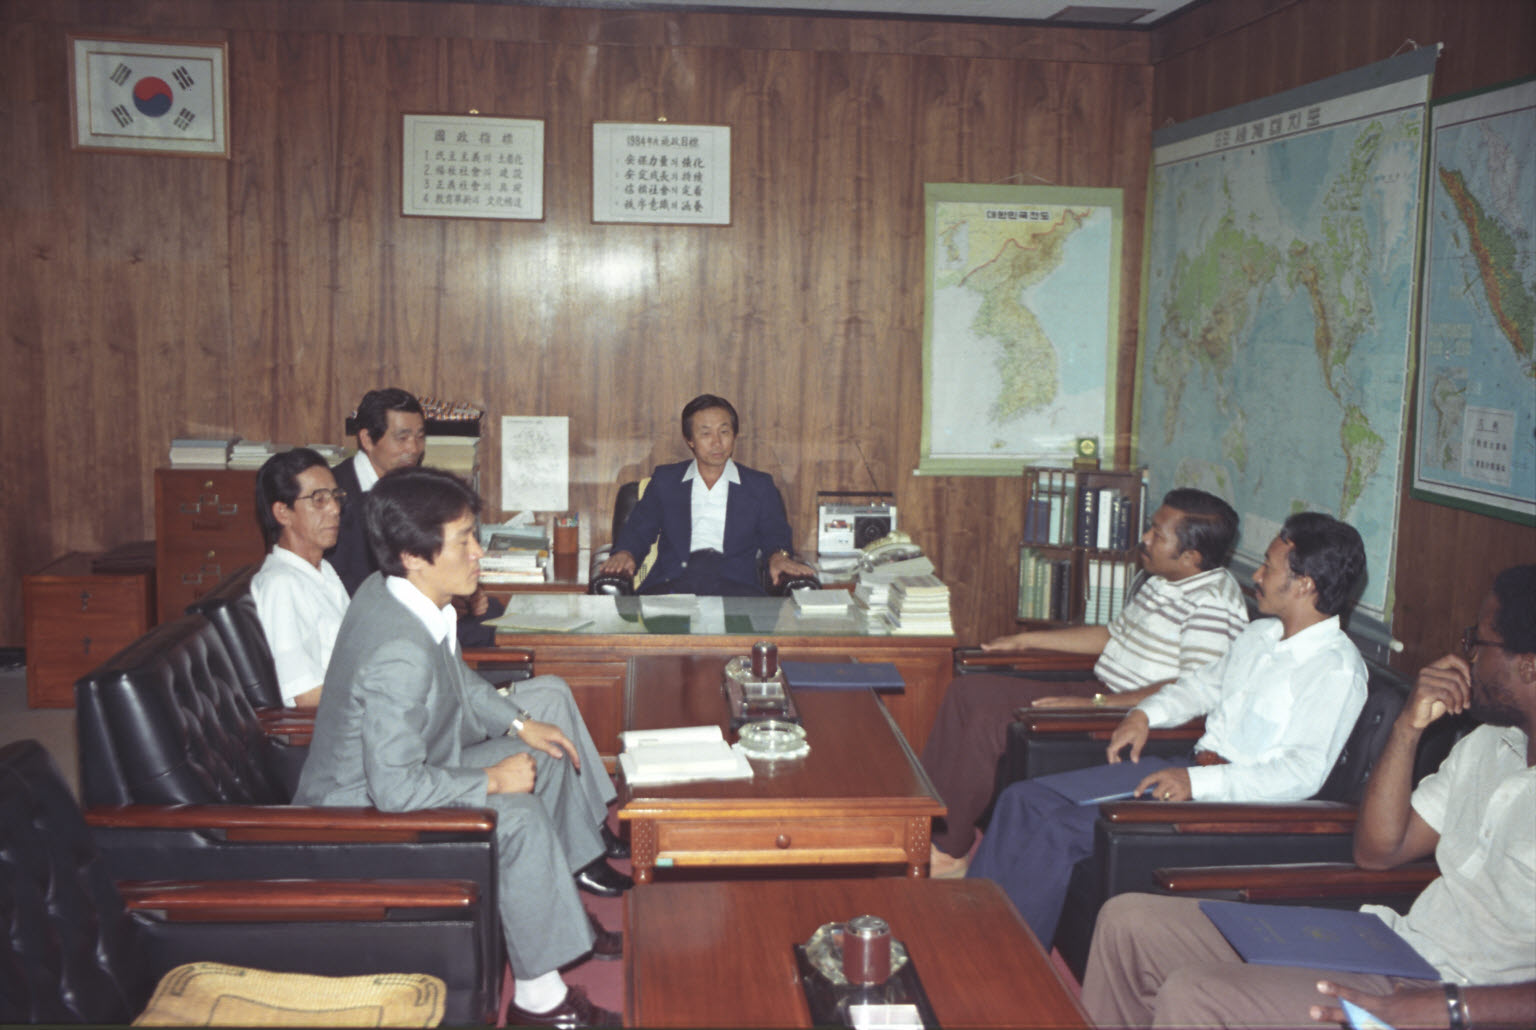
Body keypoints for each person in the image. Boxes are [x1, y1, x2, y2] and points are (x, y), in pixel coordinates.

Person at [1081, 564, 1536, 1029]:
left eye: (1477, 643)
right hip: (1398, 947)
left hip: (1460, 999)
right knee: (1128, 923)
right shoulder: (1488, 745)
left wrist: (1452, 1008)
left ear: (1529, 664)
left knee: (1194, 995)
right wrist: (1407, 729)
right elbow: (1378, 852)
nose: (1468, 659)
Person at [294, 467, 627, 1028]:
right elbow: (395, 789)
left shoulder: (398, 592)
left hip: (410, 765)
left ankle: (553, 912)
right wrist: (492, 781)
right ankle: (539, 1004)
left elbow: (454, 679)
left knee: (542, 746)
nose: (479, 552)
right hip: (358, 815)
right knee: (515, 813)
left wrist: (521, 725)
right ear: (414, 555)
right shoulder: (397, 649)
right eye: (465, 540)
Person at [967, 512, 1370, 950]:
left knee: (1058, 831)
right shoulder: (1261, 636)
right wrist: (1145, 714)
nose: (1255, 575)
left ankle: (1004, 960)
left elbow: (1300, 773)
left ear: (1305, 583)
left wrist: (1196, 782)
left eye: (1268, 568)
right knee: (1023, 799)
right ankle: (965, 929)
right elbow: (1200, 686)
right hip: (1190, 768)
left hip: (1233, 806)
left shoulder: (1335, 670)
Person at [923, 489, 1249, 875]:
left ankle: (949, 850)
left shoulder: (1213, 603)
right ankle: (927, 822)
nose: (1145, 538)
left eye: (1158, 535)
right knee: (967, 693)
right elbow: (1112, 636)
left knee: (989, 719)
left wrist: (1095, 704)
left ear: (1192, 557)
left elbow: (1195, 689)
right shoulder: (1163, 580)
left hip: (1130, 716)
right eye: (1151, 527)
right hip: (1098, 688)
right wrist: (1024, 639)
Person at [329, 386, 501, 645]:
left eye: (420, 436)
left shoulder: (406, 486)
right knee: (493, 629)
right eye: (402, 437)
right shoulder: (335, 498)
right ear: (366, 439)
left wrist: (458, 596)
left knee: (495, 613)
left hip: (413, 610)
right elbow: (349, 589)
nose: (414, 448)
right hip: (376, 629)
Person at [597, 393, 815, 595]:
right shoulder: (666, 481)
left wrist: (779, 557)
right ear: (690, 440)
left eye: (724, 431)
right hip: (673, 585)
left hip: (735, 589)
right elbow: (640, 529)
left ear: (734, 436)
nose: (717, 442)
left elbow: (774, 533)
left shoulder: (759, 486)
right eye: (705, 433)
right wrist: (625, 552)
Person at [250, 448, 350, 707]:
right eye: (319, 500)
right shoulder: (280, 585)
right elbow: (305, 696)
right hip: (331, 730)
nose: (335, 509)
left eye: (335, 497)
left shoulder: (322, 570)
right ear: (283, 513)